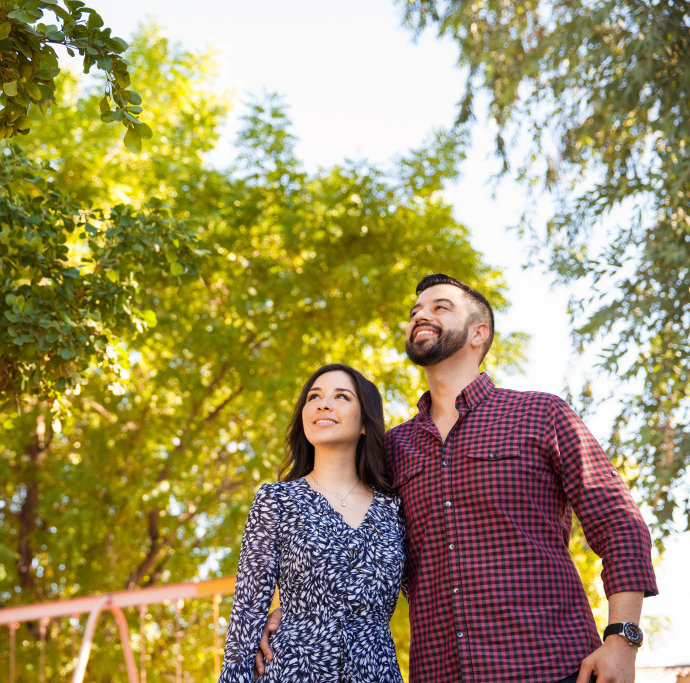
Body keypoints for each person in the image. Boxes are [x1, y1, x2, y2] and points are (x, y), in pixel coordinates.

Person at [257, 275, 658, 683]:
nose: (421, 316)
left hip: (551, 665)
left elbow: (619, 524)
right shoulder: (392, 449)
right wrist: (300, 611)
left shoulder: (542, 415)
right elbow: (357, 547)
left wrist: (622, 641)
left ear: (478, 333)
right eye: (415, 312)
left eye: (440, 307)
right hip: (440, 673)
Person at [218, 363, 405, 682]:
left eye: (342, 396)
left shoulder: (395, 509)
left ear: (364, 423)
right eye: (313, 397)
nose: (323, 403)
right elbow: (246, 619)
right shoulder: (276, 500)